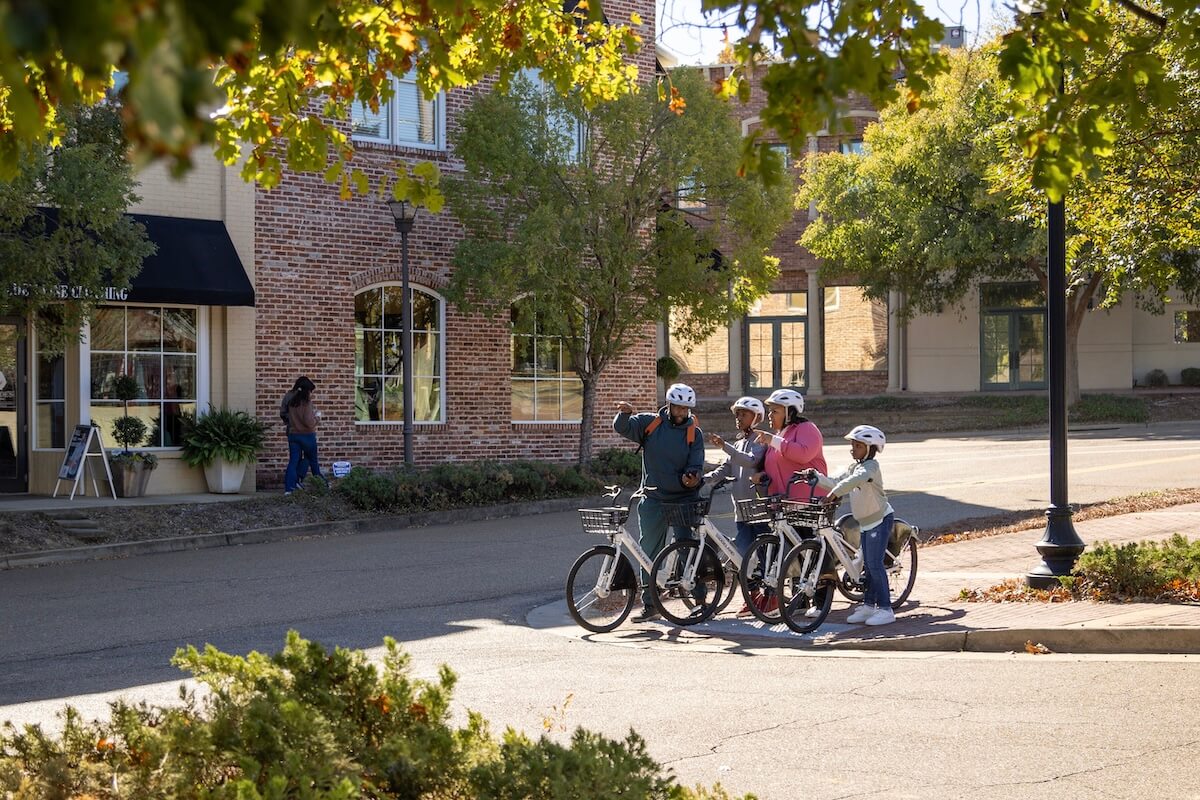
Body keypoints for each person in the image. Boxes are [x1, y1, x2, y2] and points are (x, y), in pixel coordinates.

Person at [613, 382, 705, 622]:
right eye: (678, 408)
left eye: (686, 409)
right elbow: (622, 427)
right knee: (649, 552)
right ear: (669, 404)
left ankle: (701, 599)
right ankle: (651, 604)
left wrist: (692, 477)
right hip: (653, 498)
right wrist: (624, 413)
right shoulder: (650, 423)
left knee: (687, 548)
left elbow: (696, 464)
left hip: (683, 499)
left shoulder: (694, 433)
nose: (682, 413)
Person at [805, 424, 896, 626]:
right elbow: (838, 480)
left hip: (879, 520)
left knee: (874, 565)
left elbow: (853, 481)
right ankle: (868, 605)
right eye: (852, 445)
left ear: (871, 448)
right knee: (869, 567)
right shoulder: (855, 466)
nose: (852, 449)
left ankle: (885, 609)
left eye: (858, 446)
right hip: (865, 522)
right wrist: (817, 478)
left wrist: (834, 493)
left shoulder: (870, 467)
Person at [705, 396, 769, 558]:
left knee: (763, 553)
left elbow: (750, 460)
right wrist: (705, 479)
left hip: (759, 510)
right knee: (742, 553)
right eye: (737, 415)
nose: (739, 418)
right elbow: (726, 468)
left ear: (757, 417)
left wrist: (724, 446)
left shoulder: (760, 440)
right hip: (741, 510)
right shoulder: (738, 443)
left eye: (744, 415)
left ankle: (763, 580)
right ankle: (750, 581)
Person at [752, 388, 827, 500]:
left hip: (808, 502)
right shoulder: (779, 435)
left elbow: (803, 455)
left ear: (790, 413)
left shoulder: (806, 428)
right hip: (783, 502)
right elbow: (774, 465)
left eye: (775, 411)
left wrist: (773, 440)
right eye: (770, 411)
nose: (770, 415)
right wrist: (762, 474)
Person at [284, 376, 326, 495]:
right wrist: (317, 417)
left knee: (293, 461)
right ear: (307, 391)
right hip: (307, 436)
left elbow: (285, 415)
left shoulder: (291, 402)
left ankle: (289, 488)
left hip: (293, 435)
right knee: (313, 461)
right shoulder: (307, 404)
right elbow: (309, 423)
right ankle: (322, 486)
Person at [280, 377, 311, 485]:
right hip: (304, 432)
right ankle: (298, 477)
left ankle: (290, 485)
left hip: (292, 431)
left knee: (294, 459)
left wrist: (291, 421)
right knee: (308, 455)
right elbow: (307, 417)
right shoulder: (304, 397)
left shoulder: (288, 395)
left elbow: (282, 413)